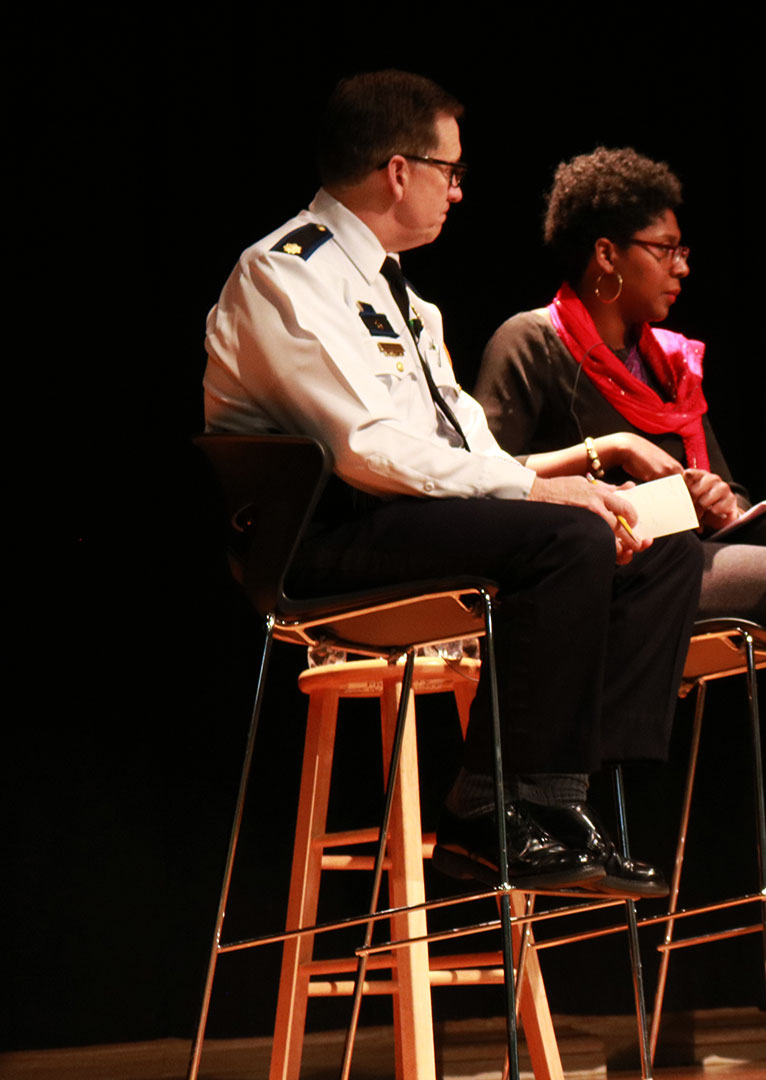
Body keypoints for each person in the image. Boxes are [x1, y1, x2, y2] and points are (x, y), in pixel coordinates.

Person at [204, 71, 705, 897]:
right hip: (322, 538)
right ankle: (489, 807)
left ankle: (557, 795)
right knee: (566, 537)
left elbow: (463, 443)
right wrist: (544, 495)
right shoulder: (284, 275)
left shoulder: (408, 297)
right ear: (399, 170)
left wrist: (574, 481)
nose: (459, 190)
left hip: (408, 519)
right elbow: (367, 450)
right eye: (451, 171)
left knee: (658, 543)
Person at [474, 148, 766, 904]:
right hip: (619, 567)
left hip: (696, 547)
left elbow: (723, 483)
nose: (682, 268)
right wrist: (608, 475)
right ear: (608, 254)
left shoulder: (669, 362)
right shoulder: (531, 341)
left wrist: (718, 496)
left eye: (683, 251)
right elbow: (490, 476)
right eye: (665, 250)